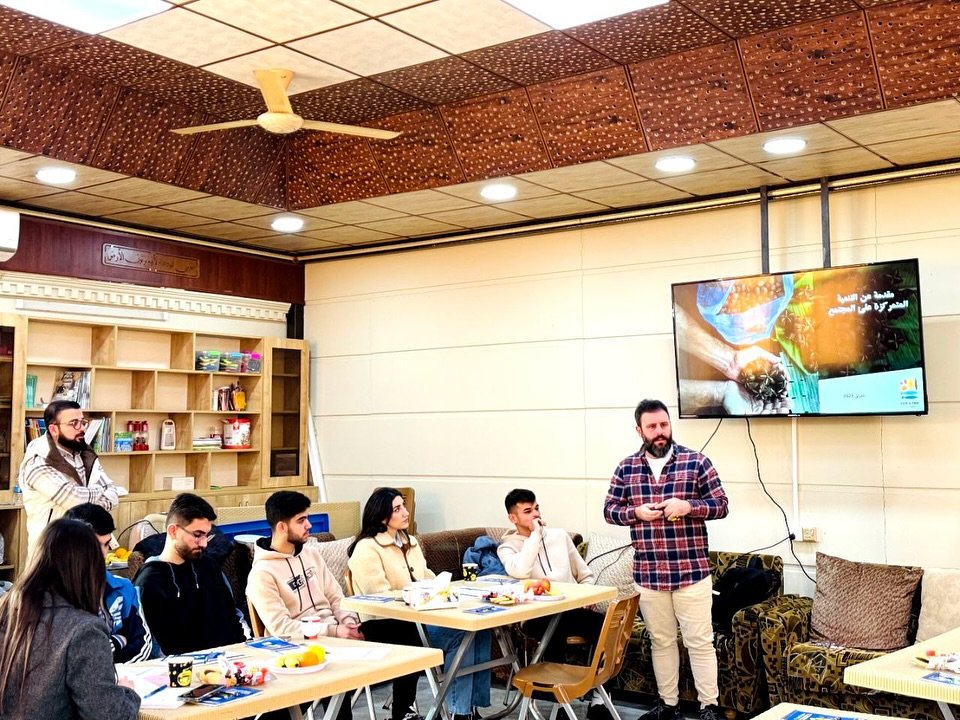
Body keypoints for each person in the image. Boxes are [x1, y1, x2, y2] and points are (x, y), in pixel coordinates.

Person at [603, 399, 729, 720]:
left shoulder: (696, 461)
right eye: (652, 427)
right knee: (660, 643)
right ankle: (668, 705)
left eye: (664, 425)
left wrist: (689, 507)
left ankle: (709, 708)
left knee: (700, 642)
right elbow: (610, 511)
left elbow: (721, 504)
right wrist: (636, 513)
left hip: (691, 572)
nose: (660, 432)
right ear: (639, 430)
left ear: (669, 424)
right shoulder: (626, 468)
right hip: (649, 575)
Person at [348, 488, 491, 720]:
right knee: (460, 636)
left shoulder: (409, 541)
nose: (405, 512)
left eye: (403, 506)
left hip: (421, 616)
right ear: (382, 516)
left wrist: (444, 589)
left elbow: (428, 578)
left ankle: (470, 706)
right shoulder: (367, 548)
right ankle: (459, 712)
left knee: (480, 630)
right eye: (397, 509)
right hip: (387, 624)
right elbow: (379, 597)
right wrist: (418, 594)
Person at [0, 518, 141, 720]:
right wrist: (128, 693)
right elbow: (109, 715)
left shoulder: (7, 609)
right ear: (88, 569)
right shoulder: (84, 630)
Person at [498, 488, 613, 720]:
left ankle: (600, 700)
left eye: (537, 508)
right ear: (513, 518)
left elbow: (585, 575)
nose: (535, 515)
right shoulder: (507, 547)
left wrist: (587, 597)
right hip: (534, 616)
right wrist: (535, 537)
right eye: (528, 511)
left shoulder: (559, 537)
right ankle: (560, 705)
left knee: (607, 627)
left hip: (570, 610)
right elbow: (520, 570)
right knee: (555, 631)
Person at [246, 491, 354, 720]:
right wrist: (333, 630)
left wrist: (348, 621)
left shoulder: (312, 555)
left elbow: (337, 597)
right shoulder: (262, 573)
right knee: (334, 678)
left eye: (308, 518)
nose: (309, 525)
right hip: (298, 648)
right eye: (301, 520)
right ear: (282, 527)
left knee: (402, 638)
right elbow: (281, 628)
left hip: (335, 639)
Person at [134, 493, 246, 656]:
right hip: (184, 672)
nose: (204, 543)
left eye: (207, 535)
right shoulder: (150, 581)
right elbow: (154, 649)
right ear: (173, 530)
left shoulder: (209, 566)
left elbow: (233, 617)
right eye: (197, 535)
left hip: (232, 662)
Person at [19, 400, 123, 553]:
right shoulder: (38, 459)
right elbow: (74, 501)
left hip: (86, 546)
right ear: (54, 429)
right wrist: (98, 492)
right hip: (51, 549)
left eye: (82, 422)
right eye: (74, 423)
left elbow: (113, 494)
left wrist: (89, 501)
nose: (81, 428)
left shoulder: (83, 453)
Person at [64, 503, 154, 663]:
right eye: (93, 545)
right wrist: (118, 642)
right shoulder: (51, 593)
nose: (102, 553)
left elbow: (142, 643)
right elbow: (72, 655)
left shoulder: (123, 587)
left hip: (126, 676)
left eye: (106, 545)